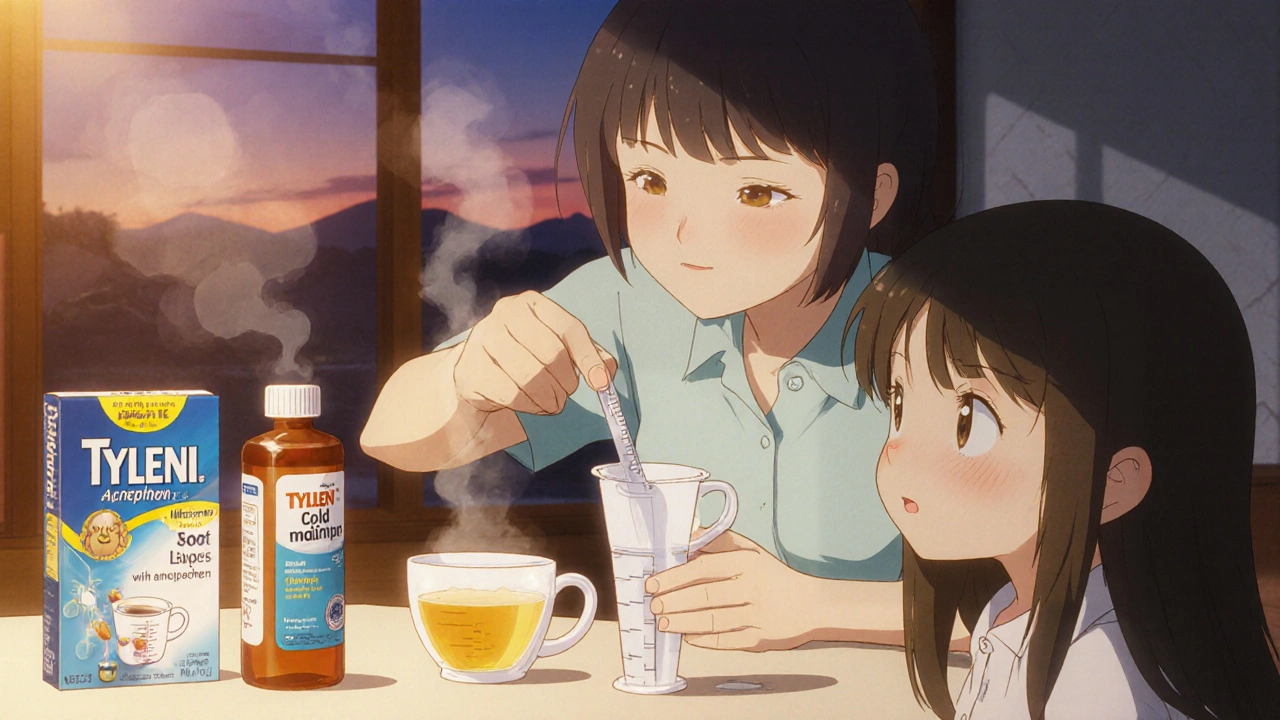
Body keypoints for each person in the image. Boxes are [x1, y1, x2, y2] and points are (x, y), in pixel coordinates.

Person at [362, 0, 939, 650]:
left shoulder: (940, 331)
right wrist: (466, 378)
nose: (687, 236)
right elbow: (394, 439)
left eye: (755, 192)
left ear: (873, 194)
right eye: (650, 178)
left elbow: (1051, 602)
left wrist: (819, 606)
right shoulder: (630, 300)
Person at [851, 200, 1280, 718]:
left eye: (970, 421)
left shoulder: (1101, 676)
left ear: (1114, 483)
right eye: (899, 404)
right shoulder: (1008, 609)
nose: (901, 456)